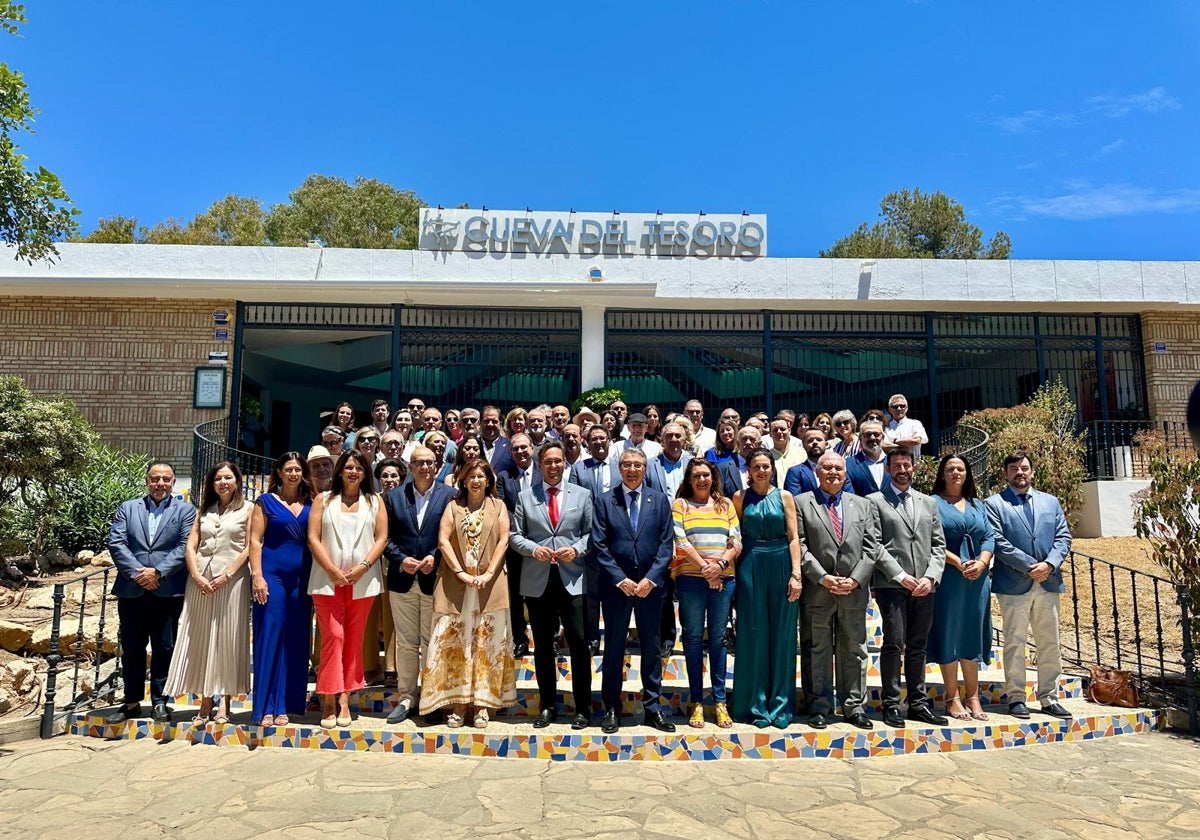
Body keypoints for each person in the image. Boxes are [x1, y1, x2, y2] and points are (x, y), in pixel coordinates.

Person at [421, 458, 516, 728]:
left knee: (487, 644)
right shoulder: (453, 507)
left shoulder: (499, 507)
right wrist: (461, 572)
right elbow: (443, 540)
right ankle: (459, 704)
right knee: (458, 642)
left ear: (489, 481)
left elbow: (503, 541)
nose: (476, 480)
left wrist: (487, 574)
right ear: (463, 479)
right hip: (456, 584)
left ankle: (482, 705)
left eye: (481, 476)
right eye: (471, 476)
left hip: (489, 584)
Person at [510, 441, 594, 729]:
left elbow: (590, 534)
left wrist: (577, 550)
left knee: (579, 645)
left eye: (558, 461)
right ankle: (548, 705)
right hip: (538, 580)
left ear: (565, 464)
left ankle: (582, 707)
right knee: (543, 646)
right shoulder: (524, 497)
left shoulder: (582, 495)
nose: (554, 466)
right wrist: (534, 550)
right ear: (540, 465)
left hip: (572, 579)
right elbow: (515, 535)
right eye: (548, 462)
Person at [106, 461, 197, 724]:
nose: (161, 484)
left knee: (164, 647)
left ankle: (160, 701)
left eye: (166, 479)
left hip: (166, 590)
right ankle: (131, 702)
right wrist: (139, 573)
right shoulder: (128, 508)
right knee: (133, 647)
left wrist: (157, 572)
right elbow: (117, 542)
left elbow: (184, 546)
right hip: (132, 590)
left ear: (173, 482)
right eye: (155, 479)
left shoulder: (186, 510)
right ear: (147, 480)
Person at [985, 452, 1073, 720]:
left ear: (1032, 472)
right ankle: (1016, 698)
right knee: (1015, 641)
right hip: (1014, 584)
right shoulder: (994, 504)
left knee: (1050, 642)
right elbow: (998, 541)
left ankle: (1049, 697)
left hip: (1048, 581)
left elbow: (1063, 536)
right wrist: (1029, 566)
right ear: (1006, 474)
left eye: (1024, 468)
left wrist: (1049, 565)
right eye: (1014, 469)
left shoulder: (1051, 502)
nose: (1020, 473)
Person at [593, 448, 676, 734]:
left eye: (637, 465)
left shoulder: (660, 500)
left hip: (650, 588)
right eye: (626, 464)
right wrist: (620, 579)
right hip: (617, 587)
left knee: (652, 648)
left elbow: (667, 544)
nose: (632, 469)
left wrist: (651, 579)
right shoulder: (605, 501)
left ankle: (652, 707)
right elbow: (599, 545)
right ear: (619, 467)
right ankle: (612, 707)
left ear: (645, 468)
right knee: (614, 647)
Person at [796, 451, 880, 730]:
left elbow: (871, 548)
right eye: (827, 468)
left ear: (846, 474)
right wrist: (822, 577)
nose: (833, 472)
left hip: (853, 592)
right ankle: (819, 706)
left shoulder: (863, 505)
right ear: (817, 473)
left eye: (838, 469)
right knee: (816, 649)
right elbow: (801, 545)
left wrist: (856, 579)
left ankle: (854, 706)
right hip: (818, 590)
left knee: (854, 649)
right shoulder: (802, 503)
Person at [164, 461, 252, 726]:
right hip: (201, 580)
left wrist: (227, 575)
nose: (223, 483)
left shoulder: (248, 509)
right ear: (211, 484)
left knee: (226, 638)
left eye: (228, 478)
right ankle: (205, 699)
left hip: (232, 581)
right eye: (218, 479)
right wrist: (196, 576)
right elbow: (191, 546)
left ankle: (224, 699)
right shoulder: (203, 511)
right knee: (201, 638)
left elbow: (250, 547)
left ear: (237, 480)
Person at [307, 450, 387, 728]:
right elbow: (313, 538)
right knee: (334, 636)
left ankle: (344, 699)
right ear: (340, 470)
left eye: (359, 468)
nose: (353, 472)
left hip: (361, 580)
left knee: (354, 638)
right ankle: (327, 697)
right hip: (327, 579)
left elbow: (381, 537)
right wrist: (331, 569)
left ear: (365, 473)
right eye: (349, 467)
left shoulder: (374, 501)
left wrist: (363, 566)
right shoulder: (324, 500)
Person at [868, 449, 948, 727]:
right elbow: (875, 545)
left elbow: (939, 545)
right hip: (892, 584)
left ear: (914, 468)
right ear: (888, 469)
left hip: (924, 585)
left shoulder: (928, 503)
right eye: (896, 465)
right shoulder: (875, 502)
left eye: (907, 465)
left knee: (918, 645)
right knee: (893, 641)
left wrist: (931, 577)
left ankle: (917, 702)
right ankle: (890, 703)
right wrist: (900, 575)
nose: (902, 469)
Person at [382, 446, 456, 725]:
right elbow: (384, 536)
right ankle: (406, 697)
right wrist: (401, 560)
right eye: (419, 462)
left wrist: (435, 558)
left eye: (430, 462)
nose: (425, 467)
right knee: (406, 642)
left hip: (434, 579)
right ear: (409, 466)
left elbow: (452, 534)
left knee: (432, 641)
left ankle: (432, 696)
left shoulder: (450, 496)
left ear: (437, 466)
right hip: (402, 579)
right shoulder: (393, 496)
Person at [729, 451, 802, 729]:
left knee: (783, 635)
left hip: (782, 562)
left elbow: (794, 537)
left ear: (773, 469)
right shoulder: (739, 497)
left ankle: (780, 703)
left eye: (766, 466)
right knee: (753, 634)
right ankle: (754, 703)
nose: (761, 470)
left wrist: (796, 574)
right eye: (756, 466)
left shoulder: (785, 497)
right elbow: (734, 540)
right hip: (750, 563)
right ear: (748, 469)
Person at [672, 459, 740, 729]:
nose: (702, 479)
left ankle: (720, 702)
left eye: (706, 475)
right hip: (691, 579)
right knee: (692, 638)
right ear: (689, 479)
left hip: (723, 578)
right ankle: (698, 701)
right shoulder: (681, 505)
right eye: (696, 475)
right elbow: (680, 538)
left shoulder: (725, 505)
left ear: (713, 477)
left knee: (719, 640)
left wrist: (719, 566)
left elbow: (736, 539)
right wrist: (705, 568)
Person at [248, 451, 314, 727]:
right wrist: (257, 577)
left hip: (303, 579)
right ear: (279, 473)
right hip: (272, 577)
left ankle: (286, 704)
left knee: (297, 639)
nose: (293, 474)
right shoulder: (265, 502)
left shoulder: (312, 502)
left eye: (298, 469)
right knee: (271, 637)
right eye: (288, 469)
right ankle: (265, 706)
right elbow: (254, 540)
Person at [929, 454, 996, 722]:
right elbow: (931, 539)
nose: (956, 473)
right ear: (942, 474)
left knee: (971, 633)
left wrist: (981, 562)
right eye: (950, 469)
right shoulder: (932, 503)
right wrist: (958, 563)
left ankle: (973, 696)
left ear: (967, 473)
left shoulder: (978, 504)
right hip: (949, 577)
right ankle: (951, 697)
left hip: (977, 580)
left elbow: (989, 536)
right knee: (949, 633)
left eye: (960, 469)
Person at [497, 433, 540, 657]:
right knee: (514, 594)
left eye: (524, 447)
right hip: (514, 545)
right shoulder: (504, 477)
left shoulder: (544, 474)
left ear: (532, 448)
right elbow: (503, 507)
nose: (521, 452)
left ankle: (548, 637)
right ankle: (519, 638)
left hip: (540, 544)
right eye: (516, 449)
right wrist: (520, 529)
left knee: (541, 594)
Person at [846, 420, 890, 496]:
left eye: (876, 434)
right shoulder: (848, 464)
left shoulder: (894, 463)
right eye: (867, 434)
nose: (872, 438)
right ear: (860, 438)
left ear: (883, 437)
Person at [784, 428, 831, 497]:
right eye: (810, 440)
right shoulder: (795, 472)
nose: (815, 442)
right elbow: (795, 501)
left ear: (826, 444)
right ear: (803, 445)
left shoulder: (840, 469)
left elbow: (848, 499)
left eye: (819, 440)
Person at [883, 393, 929, 458]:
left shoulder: (915, 423)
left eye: (902, 406)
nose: (899, 409)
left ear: (906, 408)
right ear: (890, 409)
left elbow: (916, 441)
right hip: (892, 466)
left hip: (913, 465)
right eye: (895, 407)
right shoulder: (886, 427)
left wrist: (894, 441)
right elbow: (884, 446)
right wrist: (906, 445)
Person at [479, 405, 515, 473]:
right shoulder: (473, 445)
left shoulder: (510, 445)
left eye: (494, 421)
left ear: (500, 422)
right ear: (480, 422)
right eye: (486, 421)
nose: (490, 424)